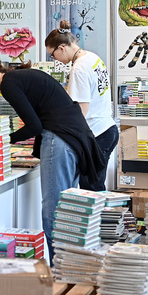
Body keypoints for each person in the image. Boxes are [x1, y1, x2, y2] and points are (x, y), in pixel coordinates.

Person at [0, 47, 105, 263]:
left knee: (53, 212)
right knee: (67, 209)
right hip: (73, 138)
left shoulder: (9, 84)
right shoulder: (17, 77)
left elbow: (34, 126)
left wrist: (2, 139)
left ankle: (59, 270)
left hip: (60, 139)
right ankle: (72, 266)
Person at [45, 21, 118, 191]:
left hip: (97, 134)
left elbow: (81, 113)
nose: (54, 59)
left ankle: (102, 218)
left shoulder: (78, 69)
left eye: (52, 54)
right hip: (107, 128)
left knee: (91, 191)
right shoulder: (92, 57)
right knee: (96, 186)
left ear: (62, 47)